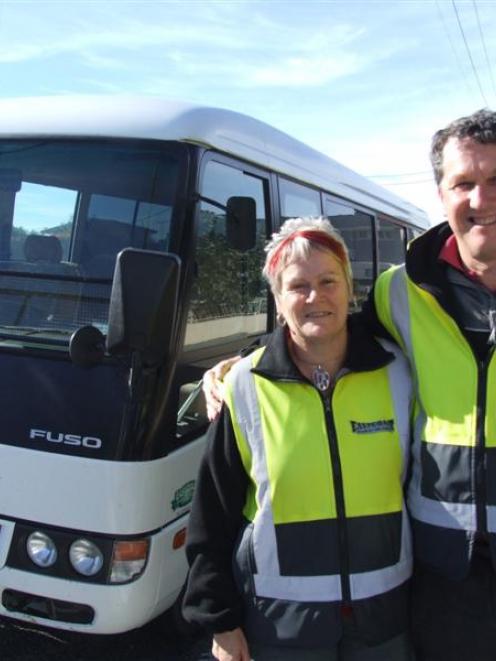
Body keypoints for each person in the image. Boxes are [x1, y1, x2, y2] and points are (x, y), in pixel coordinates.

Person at [182, 217, 415, 660]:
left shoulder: (399, 373)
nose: (315, 297)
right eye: (297, 286)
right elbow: (211, 515)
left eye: (328, 280)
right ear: (277, 298)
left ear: (350, 287)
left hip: (385, 616)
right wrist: (220, 622)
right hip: (280, 623)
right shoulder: (245, 385)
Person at [366, 108, 496, 661]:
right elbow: (321, 343)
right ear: (441, 194)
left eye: (495, 181)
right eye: (463, 182)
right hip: (443, 561)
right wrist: (236, 366)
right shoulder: (396, 293)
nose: (479, 199)